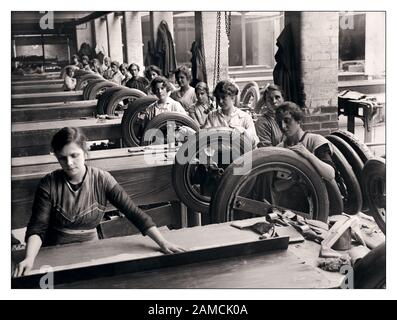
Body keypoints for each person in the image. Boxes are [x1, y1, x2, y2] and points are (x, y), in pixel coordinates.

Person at [13, 127, 185, 277]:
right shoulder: (48, 184)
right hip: (55, 249)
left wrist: (163, 242)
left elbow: (133, 212)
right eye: (62, 158)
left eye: (74, 155)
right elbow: (38, 227)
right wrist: (29, 258)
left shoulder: (102, 179)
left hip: (92, 246)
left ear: (85, 152)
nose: (69, 163)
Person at [275, 101, 335, 181]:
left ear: (299, 120)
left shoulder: (316, 140)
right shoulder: (279, 149)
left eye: (287, 121)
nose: (283, 126)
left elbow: (330, 174)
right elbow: (276, 185)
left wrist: (308, 155)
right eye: (279, 122)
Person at [203, 80, 259, 146]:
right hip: (217, 154)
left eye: (224, 97)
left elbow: (254, 142)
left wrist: (243, 131)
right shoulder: (212, 116)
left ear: (232, 98)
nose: (220, 101)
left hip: (240, 154)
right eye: (218, 98)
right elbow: (204, 138)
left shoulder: (244, 117)